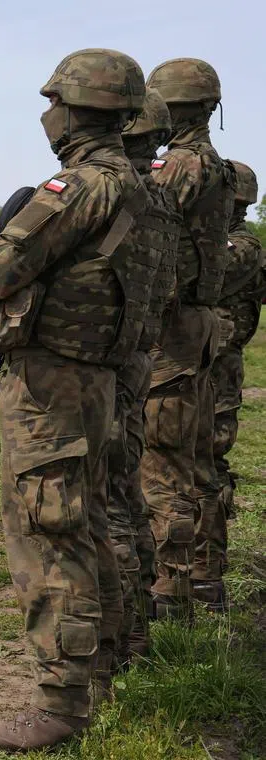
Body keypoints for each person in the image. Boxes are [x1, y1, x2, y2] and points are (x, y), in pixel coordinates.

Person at [0, 49, 147, 750]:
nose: (46, 113)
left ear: (77, 107)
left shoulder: (81, 185)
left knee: (47, 531)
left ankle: (61, 704)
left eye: (53, 100)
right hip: (103, 378)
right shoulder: (139, 186)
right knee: (87, 521)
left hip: (53, 386)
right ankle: (104, 671)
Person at [142, 58, 235, 617]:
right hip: (197, 330)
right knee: (197, 463)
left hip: (173, 333)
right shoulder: (216, 166)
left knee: (162, 467)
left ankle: (169, 591)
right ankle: (204, 576)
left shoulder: (179, 167)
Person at [106, 89, 180, 667]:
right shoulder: (160, 201)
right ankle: (139, 619)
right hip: (137, 360)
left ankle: (122, 634)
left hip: (100, 367)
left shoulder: (113, 195)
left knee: (105, 502)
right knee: (127, 493)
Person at [211, 161, 263, 584]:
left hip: (220, 367)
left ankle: (207, 566)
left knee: (209, 462)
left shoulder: (240, 247)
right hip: (207, 362)